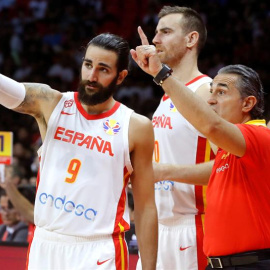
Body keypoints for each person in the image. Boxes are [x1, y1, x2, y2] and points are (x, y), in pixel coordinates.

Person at [0, 33, 158, 270]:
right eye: (88, 65)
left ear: (120, 76)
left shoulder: (135, 127)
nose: (91, 76)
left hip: (98, 250)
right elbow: (11, 91)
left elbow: (145, 207)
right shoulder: (51, 103)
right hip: (45, 244)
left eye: (103, 69)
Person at [131, 29, 270, 269]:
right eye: (212, 91)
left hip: (250, 263)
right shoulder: (230, 149)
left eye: (221, 92)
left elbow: (211, 125)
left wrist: (161, 74)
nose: (211, 99)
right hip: (217, 263)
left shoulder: (258, 136)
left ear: (248, 103)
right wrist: (162, 172)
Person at [134, 6, 214, 270]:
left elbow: (229, 167)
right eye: (156, 32)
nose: (156, 40)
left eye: (166, 32)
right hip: (159, 227)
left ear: (191, 39)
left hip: (193, 227)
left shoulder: (207, 91)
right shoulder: (166, 94)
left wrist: (166, 171)